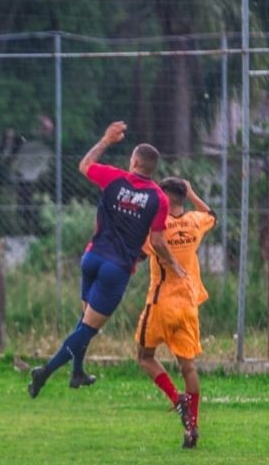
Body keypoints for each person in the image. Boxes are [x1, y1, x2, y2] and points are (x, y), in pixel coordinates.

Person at [29, 121, 187, 398]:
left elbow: (85, 165)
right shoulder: (157, 198)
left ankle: (77, 372)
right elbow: (158, 241)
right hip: (116, 269)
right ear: (152, 168)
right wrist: (174, 264)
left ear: (134, 161)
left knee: (85, 318)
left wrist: (105, 140)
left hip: (91, 258)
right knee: (88, 329)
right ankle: (45, 372)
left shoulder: (114, 178)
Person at [135, 178, 215, 448]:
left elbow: (140, 252)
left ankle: (176, 398)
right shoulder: (195, 222)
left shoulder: (157, 229)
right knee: (188, 367)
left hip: (160, 304)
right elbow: (210, 215)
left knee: (145, 356)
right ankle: (192, 427)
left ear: (166, 199)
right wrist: (192, 192)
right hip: (188, 305)